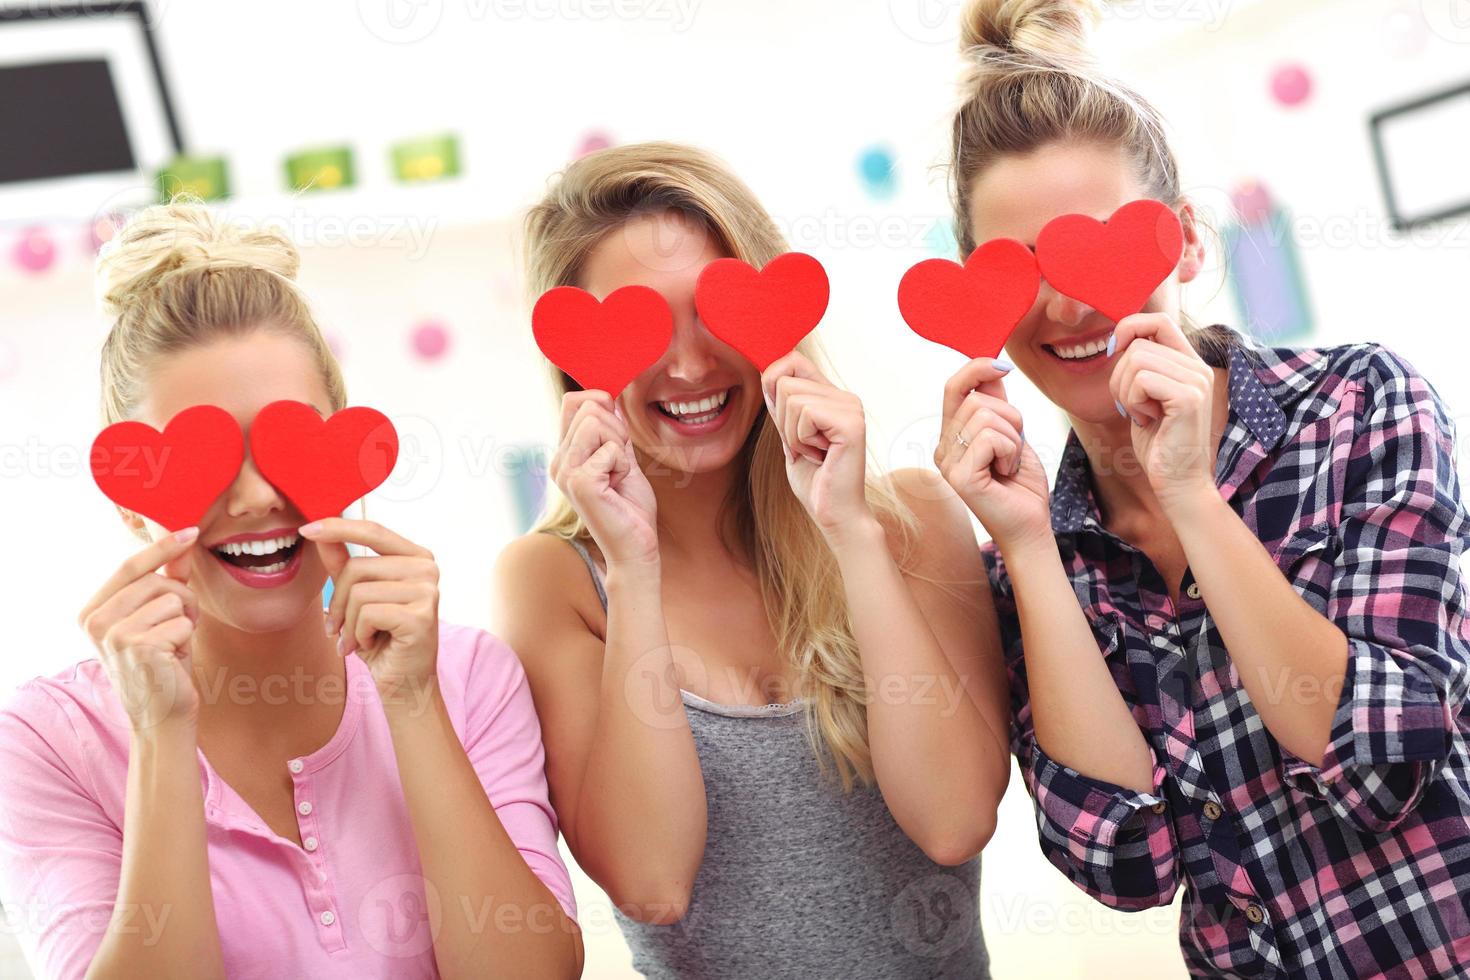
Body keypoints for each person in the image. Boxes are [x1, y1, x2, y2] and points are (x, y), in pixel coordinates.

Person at [935, 1, 1470, 976]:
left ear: (1182, 241)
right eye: (1017, 267)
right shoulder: (1023, 561)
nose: (1063, 303)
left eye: (1094, 247)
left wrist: (1190, 493)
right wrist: (1026, 546)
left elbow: (1386, 753)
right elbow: (1124, 860)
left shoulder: (1361, 402)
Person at [0, 203, 582, 980]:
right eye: (202, 458)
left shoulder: (470, 677)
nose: (252, 498)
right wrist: (160, 736)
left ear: (348, 456)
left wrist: (411, 703)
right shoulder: (44, 742)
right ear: (129, 501)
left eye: (287, 443)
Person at [493, 142, 1010, 977]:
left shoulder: (908, 519)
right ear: (576, 357)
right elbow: (652, 882)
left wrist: (848, 531)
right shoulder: (557, 581)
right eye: (641, 324)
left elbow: (953, 821)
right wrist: (634, 568)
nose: (691, 363)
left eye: (718, 310)